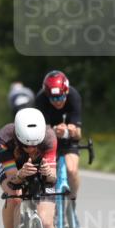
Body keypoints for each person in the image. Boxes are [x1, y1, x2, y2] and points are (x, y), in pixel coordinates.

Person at [34, 70, 83, 200]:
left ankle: (72, 200)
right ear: (47, 95)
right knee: (46, 173)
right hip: (49, 137)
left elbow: (78, 135)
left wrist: (71, 130)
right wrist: (54, 130)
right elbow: (42, 131)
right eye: (53, 98)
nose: (57, 102)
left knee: (72, 170)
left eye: (60, 97)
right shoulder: (41, 99)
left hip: (68, 138)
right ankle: (50, 201)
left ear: (66, 92)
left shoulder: (74, 96)